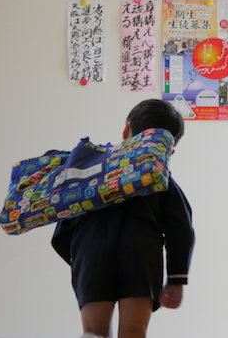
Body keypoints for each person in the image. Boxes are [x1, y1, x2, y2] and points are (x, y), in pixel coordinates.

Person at [51, 99, 195, 338]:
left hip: (92, 247)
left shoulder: (92, 170)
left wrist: (78, 258)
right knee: (133, 332)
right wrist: (176, 278)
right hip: (141, 252)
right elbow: (181, 229)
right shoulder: (163, 181)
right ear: (169, 150)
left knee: (94, 331)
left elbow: (66, 215)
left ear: (126, 130)